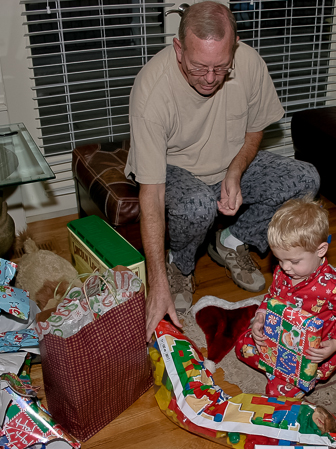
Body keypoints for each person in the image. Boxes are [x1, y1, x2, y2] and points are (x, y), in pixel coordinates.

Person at [123, 1, 320, 338]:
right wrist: (155, 285)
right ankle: (180, 267)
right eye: (199, 67)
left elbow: (256, 128)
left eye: (221, 67)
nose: (211, 79)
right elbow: (152, 194)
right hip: (176, 172)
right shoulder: (151, 92)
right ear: (179, 49)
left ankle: (231, 241)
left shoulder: (249, 62)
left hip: (228, 163)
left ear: (235, 47)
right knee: (196, 204)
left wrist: (235, 171)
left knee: (305, 179)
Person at [235, 198, 336, 398]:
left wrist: (335, 345)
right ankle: (277, 370)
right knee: (242, 345)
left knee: (277, 393)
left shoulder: (332, 288)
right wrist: (260, 316)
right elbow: (271, 297)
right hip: (281, 337)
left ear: (320, 251)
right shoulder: (283, 272)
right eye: (279, 259)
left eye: (294, 261)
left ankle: (282, 376)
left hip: (312, 354)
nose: (285, 267)